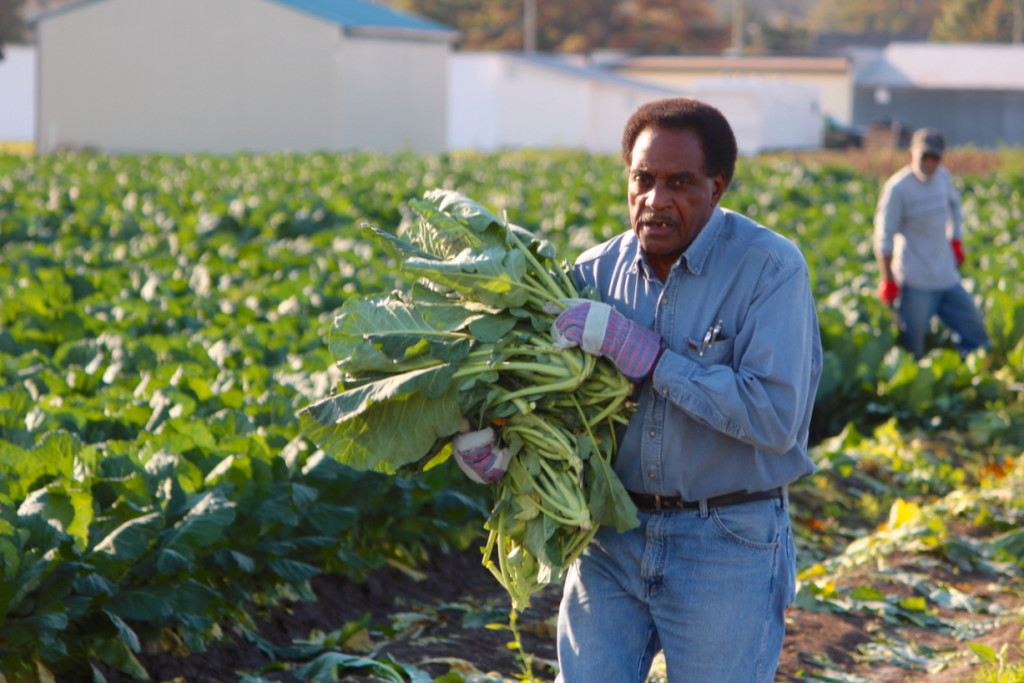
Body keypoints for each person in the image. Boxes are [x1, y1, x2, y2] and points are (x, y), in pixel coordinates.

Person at [455, 96, 822, 682]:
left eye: (679, 182)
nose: (655, 200)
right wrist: (502, 451)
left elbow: (776, 417)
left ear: (717, 187)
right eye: (643, 179)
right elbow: (556, 413)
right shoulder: (592, 274)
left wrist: (652, 359)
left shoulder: (770, 270)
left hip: (724, 539)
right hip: (611, 537)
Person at [874, 127, 989, 359]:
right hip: (915, 282)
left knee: (976, 335)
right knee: (913, 350)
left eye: (934, 157)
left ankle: (966, 381)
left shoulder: (943, 178)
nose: (929, 163)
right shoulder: (898, 188)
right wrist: (888, 279)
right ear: (911, 155)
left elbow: (955, 209)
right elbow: (883, 237)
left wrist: (955, 240)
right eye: (924, 156)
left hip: (946, 277)